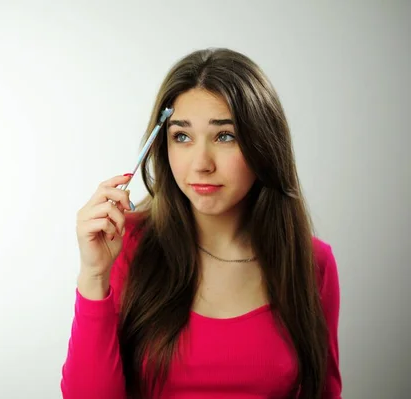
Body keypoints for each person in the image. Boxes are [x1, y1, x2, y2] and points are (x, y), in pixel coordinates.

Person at [61, 47, 342, 399]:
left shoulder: (312, 263)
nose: (201, 164)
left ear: (263, 145)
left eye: (225, 136)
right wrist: (94, 275)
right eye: (182, 136)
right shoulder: (124, 243)